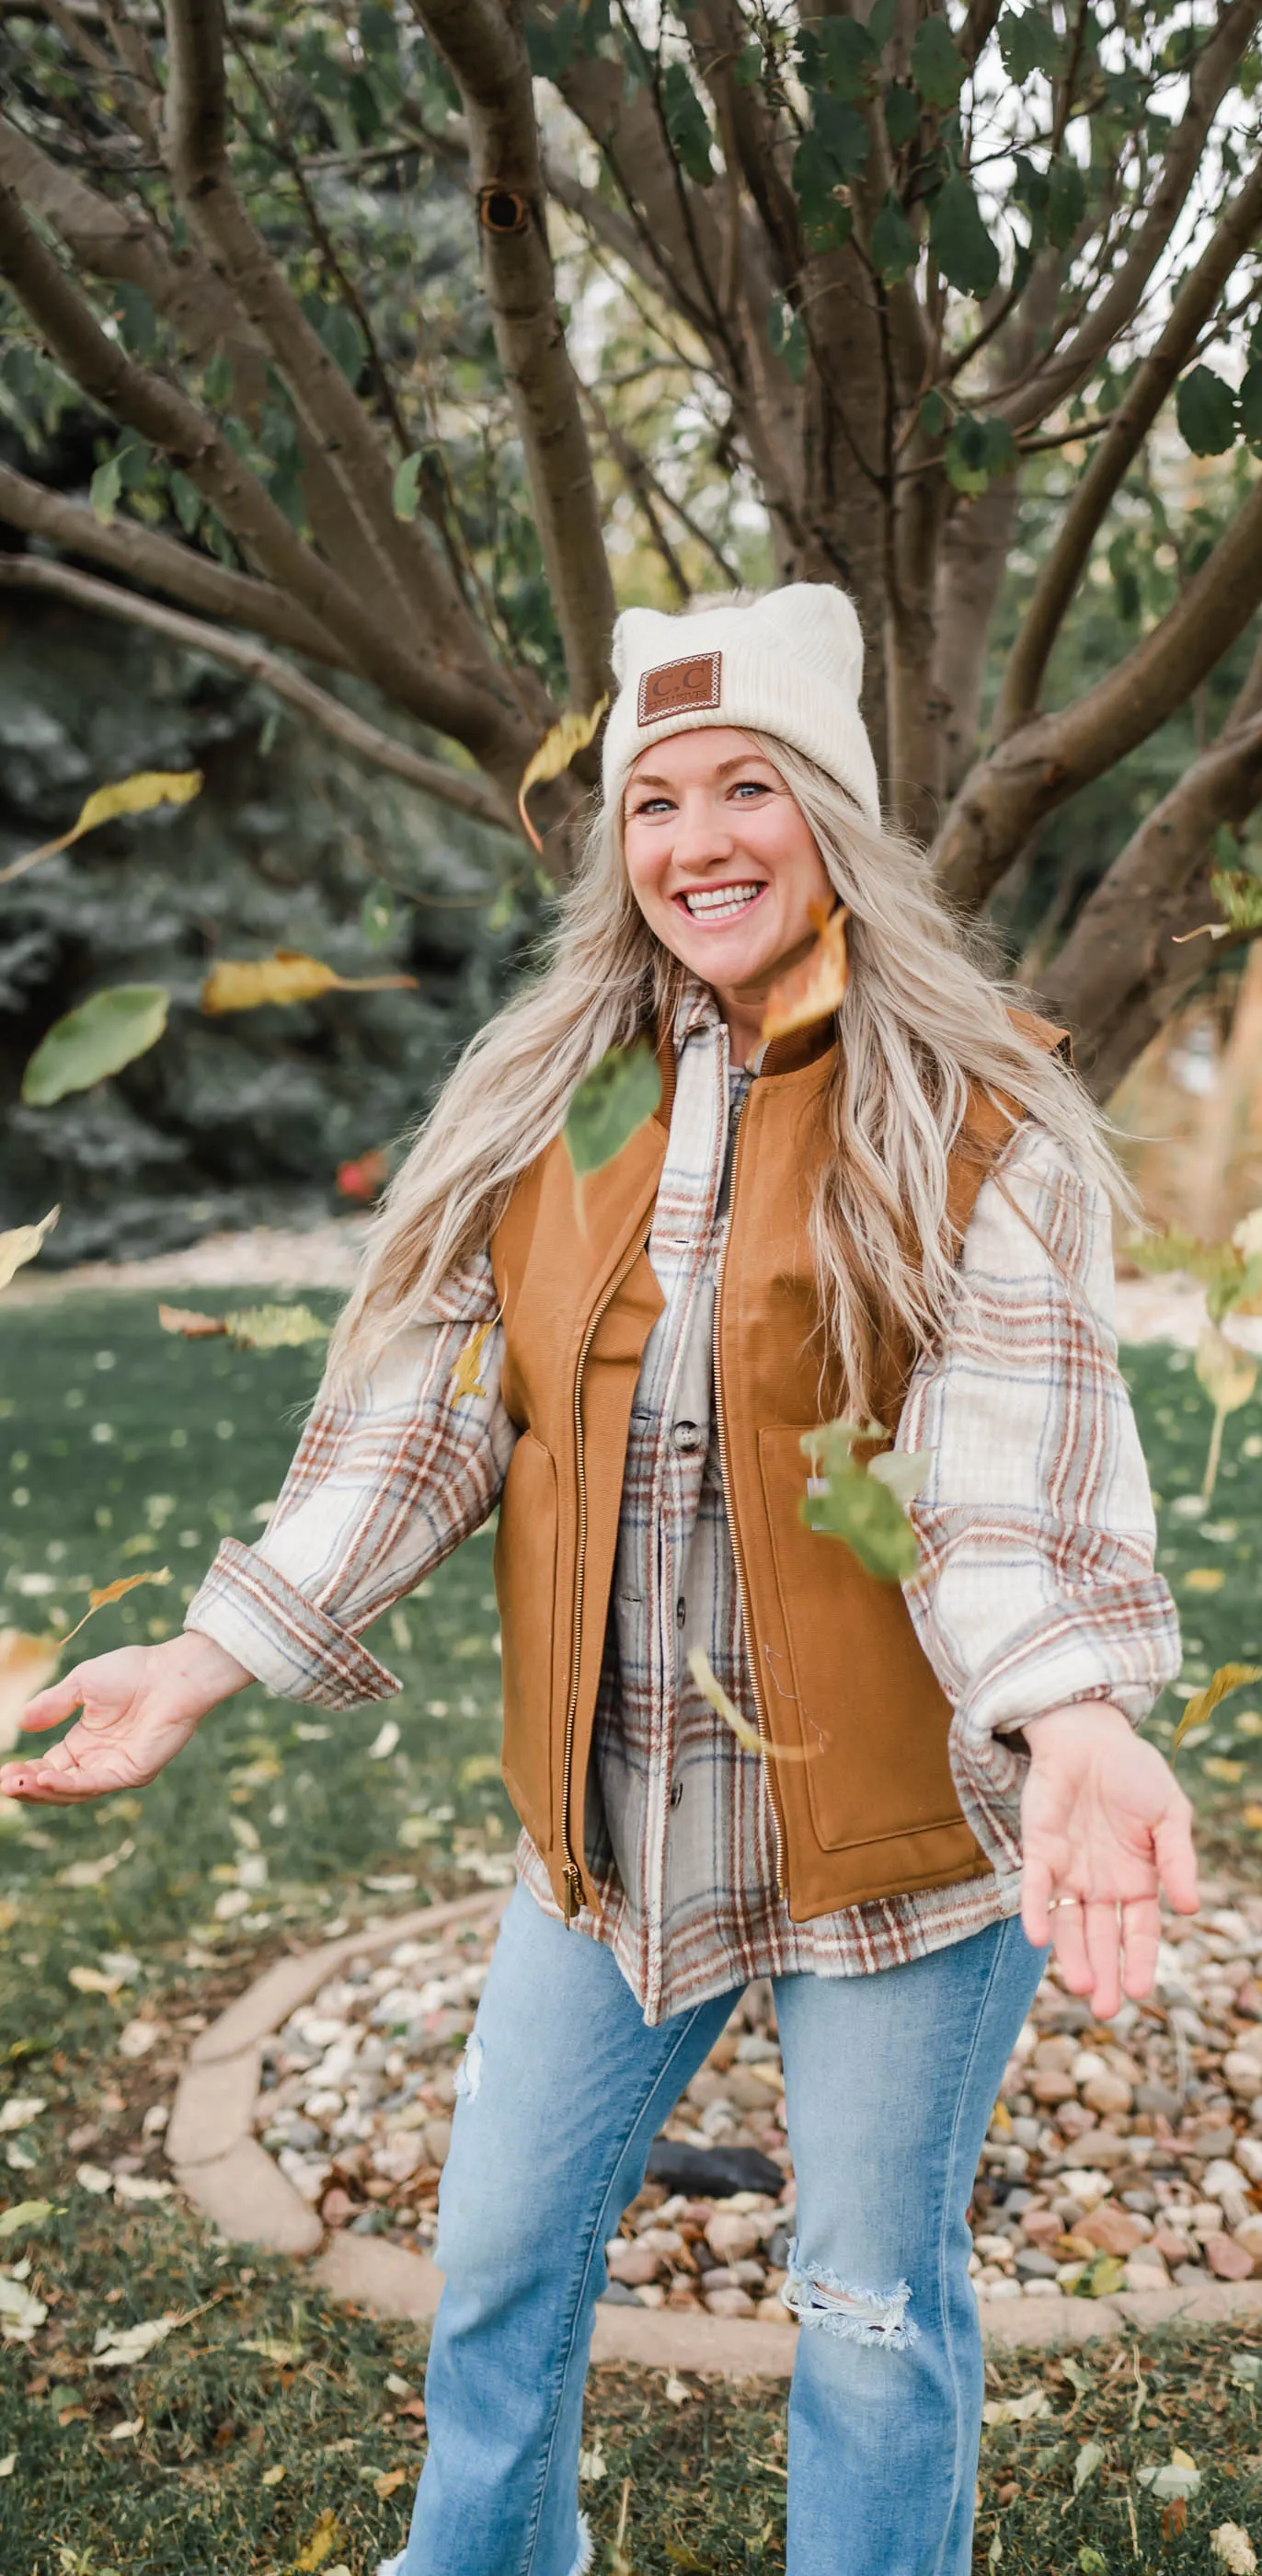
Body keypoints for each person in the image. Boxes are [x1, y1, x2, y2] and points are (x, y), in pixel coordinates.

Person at [5, 585, 1197, 2576]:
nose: (696, 838)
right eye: (655, 798)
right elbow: (442, 1415)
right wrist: (208, 1657)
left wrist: (1071, 1705)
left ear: (833, 820)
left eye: (750, 786)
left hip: (901, 1838)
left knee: (868, 2308)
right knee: (492, 2252)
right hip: (620, 1815)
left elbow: (996, 1465)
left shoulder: (971, 1108)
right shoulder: (570, 1093)